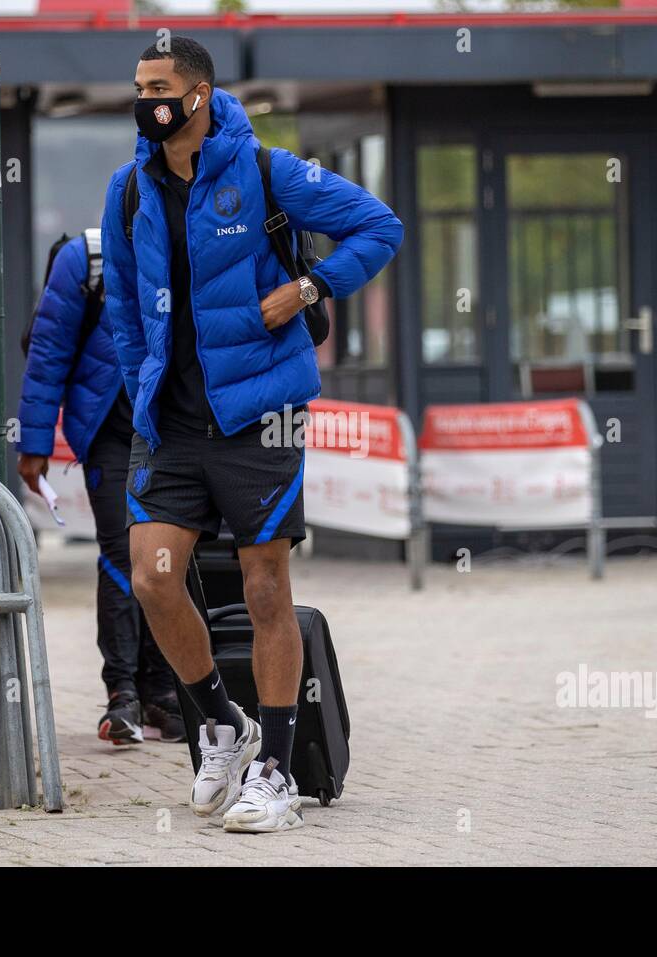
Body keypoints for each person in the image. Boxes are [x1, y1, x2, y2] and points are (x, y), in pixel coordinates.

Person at [101, 36, 402, 832]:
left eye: (159, 86)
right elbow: (125, 308)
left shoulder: (268, 172)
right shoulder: (129, 189)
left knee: (266, 587)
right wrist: (143, 387)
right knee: (154, 577)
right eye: (139, 86)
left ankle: (276, 771)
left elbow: (379, 226)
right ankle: (219, 725)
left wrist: (308, 286)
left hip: (258, 418)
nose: (146, 100)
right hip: (171, 421)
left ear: (199, 94)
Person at [16, 231, 185, 746]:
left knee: (167, 560)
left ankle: (161, 692)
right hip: (109, 434)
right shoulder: (84, 258)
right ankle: (123, 695)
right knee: (121, 552)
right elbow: (48, 352)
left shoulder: (190, 241)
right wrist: (35, 443)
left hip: (175, 428)